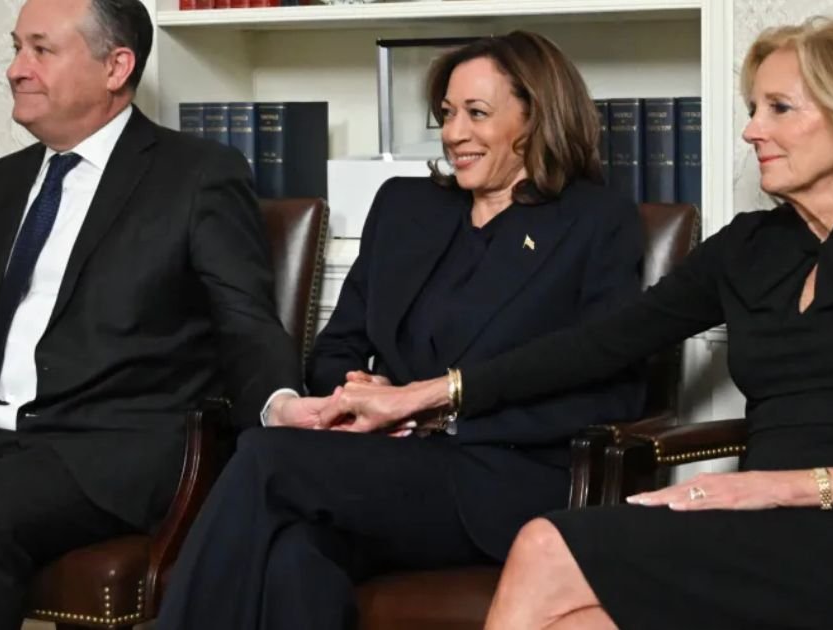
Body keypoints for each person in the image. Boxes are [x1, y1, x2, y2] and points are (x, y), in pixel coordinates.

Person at [326, 17, 833, 630]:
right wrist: (434, 391)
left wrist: (779, 487)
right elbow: (598, 344)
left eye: (779, 109)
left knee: (546, 542)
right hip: (757, 526)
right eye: (752, 109)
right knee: (572, 618)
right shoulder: (750, 247)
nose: (752, 130)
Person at [0, 0, 324, 627]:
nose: (16, 68)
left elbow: (246, 324)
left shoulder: (197, 176)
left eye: (41, 49)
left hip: (108, 450)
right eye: (16, 48)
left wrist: (280, 401)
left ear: (116, 65)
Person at [155, 30, 649, 630]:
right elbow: (335, 349)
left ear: (536, 115)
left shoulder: (595, 221)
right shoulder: (405, 208)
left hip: (499, 480)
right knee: (295, 559)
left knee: (265, 458)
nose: (453, 132)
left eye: (477, 113)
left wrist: (437, 410)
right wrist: (367, 394)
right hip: (383, 466)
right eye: (446, 113)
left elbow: (614, 389)